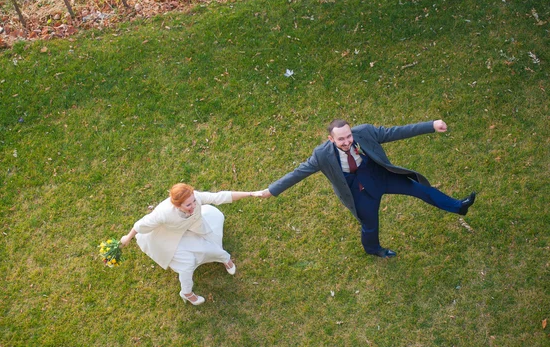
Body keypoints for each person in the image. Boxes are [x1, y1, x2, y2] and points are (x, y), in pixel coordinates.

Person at [259, 119, 476, 258]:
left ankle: (458, 207)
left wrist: (431, 126)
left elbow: (396, 132)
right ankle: (374, 249)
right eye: (341, 139)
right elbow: (299, 172)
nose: (347, 141)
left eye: (349, 136)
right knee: (370, 225)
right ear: (331, 139)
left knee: (421, 189)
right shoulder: (321, 155)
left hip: (380, 176)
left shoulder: (365, 133)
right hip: (358, 191)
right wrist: (272, 190)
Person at [120, 183, 263, 305]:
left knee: (211, 247)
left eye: (194, 201)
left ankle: (225, 259)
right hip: (171, 238)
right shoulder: (163, 213)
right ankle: (187, 293)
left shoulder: (196, 198)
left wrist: (251, 194)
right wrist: (127, 238)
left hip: (193, 228)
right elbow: (140, 225)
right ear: (177, 205)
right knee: (187, 264)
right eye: (188, 204)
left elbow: (220, 196)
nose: (194, 206)